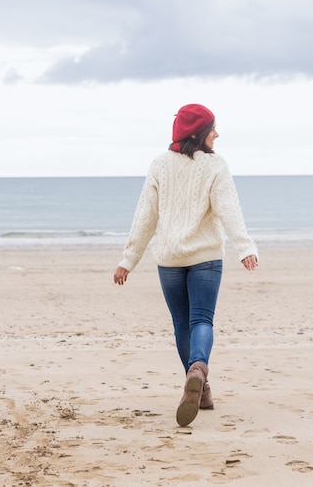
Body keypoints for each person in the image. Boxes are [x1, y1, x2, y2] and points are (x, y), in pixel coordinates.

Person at [113, 103, 258, 427]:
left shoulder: (159, 165)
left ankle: (200, 388)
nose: (217, 134)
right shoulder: (215, 166)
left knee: (182, 325)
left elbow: (145, 217)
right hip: (206, 255)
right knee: (201, 320)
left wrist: (128, 260)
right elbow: (228, 210)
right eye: (212, 129)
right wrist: (244, 247)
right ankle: (198, 371)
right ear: (198, 133)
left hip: (169, 258)